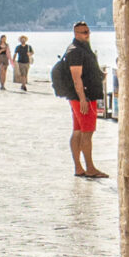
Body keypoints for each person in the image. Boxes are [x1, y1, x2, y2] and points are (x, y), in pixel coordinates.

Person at [52, 21, 108, 178]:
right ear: (76, 34)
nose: (87, 34)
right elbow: (76, 77)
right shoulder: (76, 51)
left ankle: (79, 167)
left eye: (88, 31)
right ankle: (90, 168)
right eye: (84, 32)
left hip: (79, 97)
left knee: (77, 131)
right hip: (84, 98)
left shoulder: (82, 49)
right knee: (87, 133)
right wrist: (83, 99)